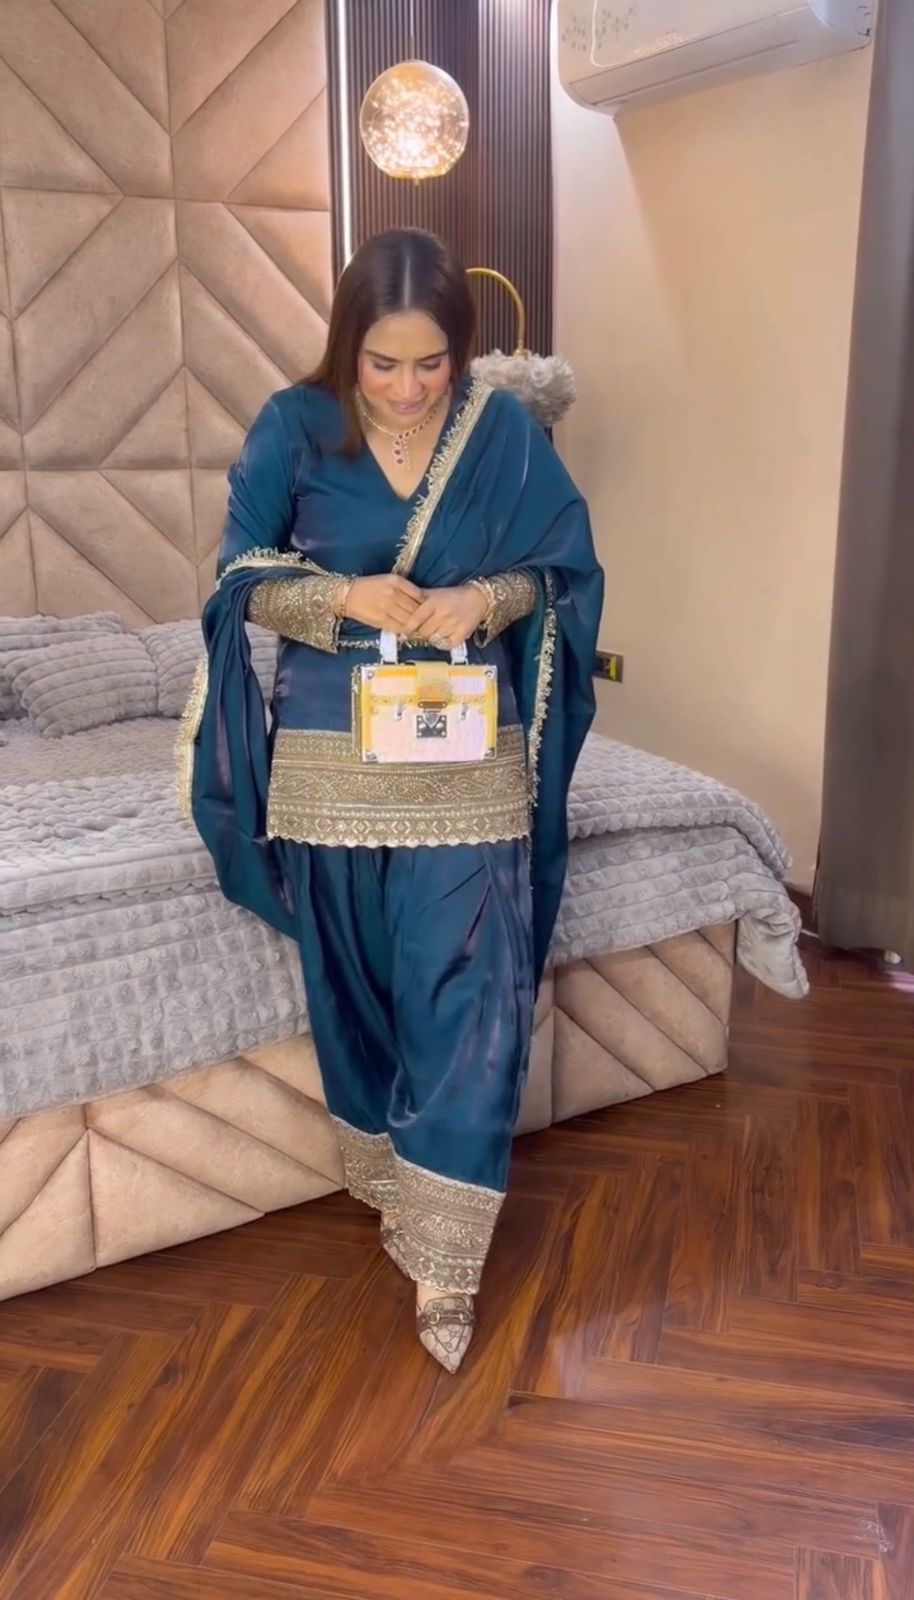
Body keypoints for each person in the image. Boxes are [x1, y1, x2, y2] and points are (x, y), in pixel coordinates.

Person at [182, 228, 604, 1373]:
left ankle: (448, 1260)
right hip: (332, 766)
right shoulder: (293, 427)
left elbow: (564, 572)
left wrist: (487, 597)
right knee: (359, 989)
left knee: (473, 992)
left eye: (431, 364)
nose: (409, 388)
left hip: (467, 759)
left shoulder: (500, 434)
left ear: (460, 352)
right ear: (347, 347)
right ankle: (394, 1190)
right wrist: (340, 598)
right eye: (383, 363)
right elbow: (236, 578)